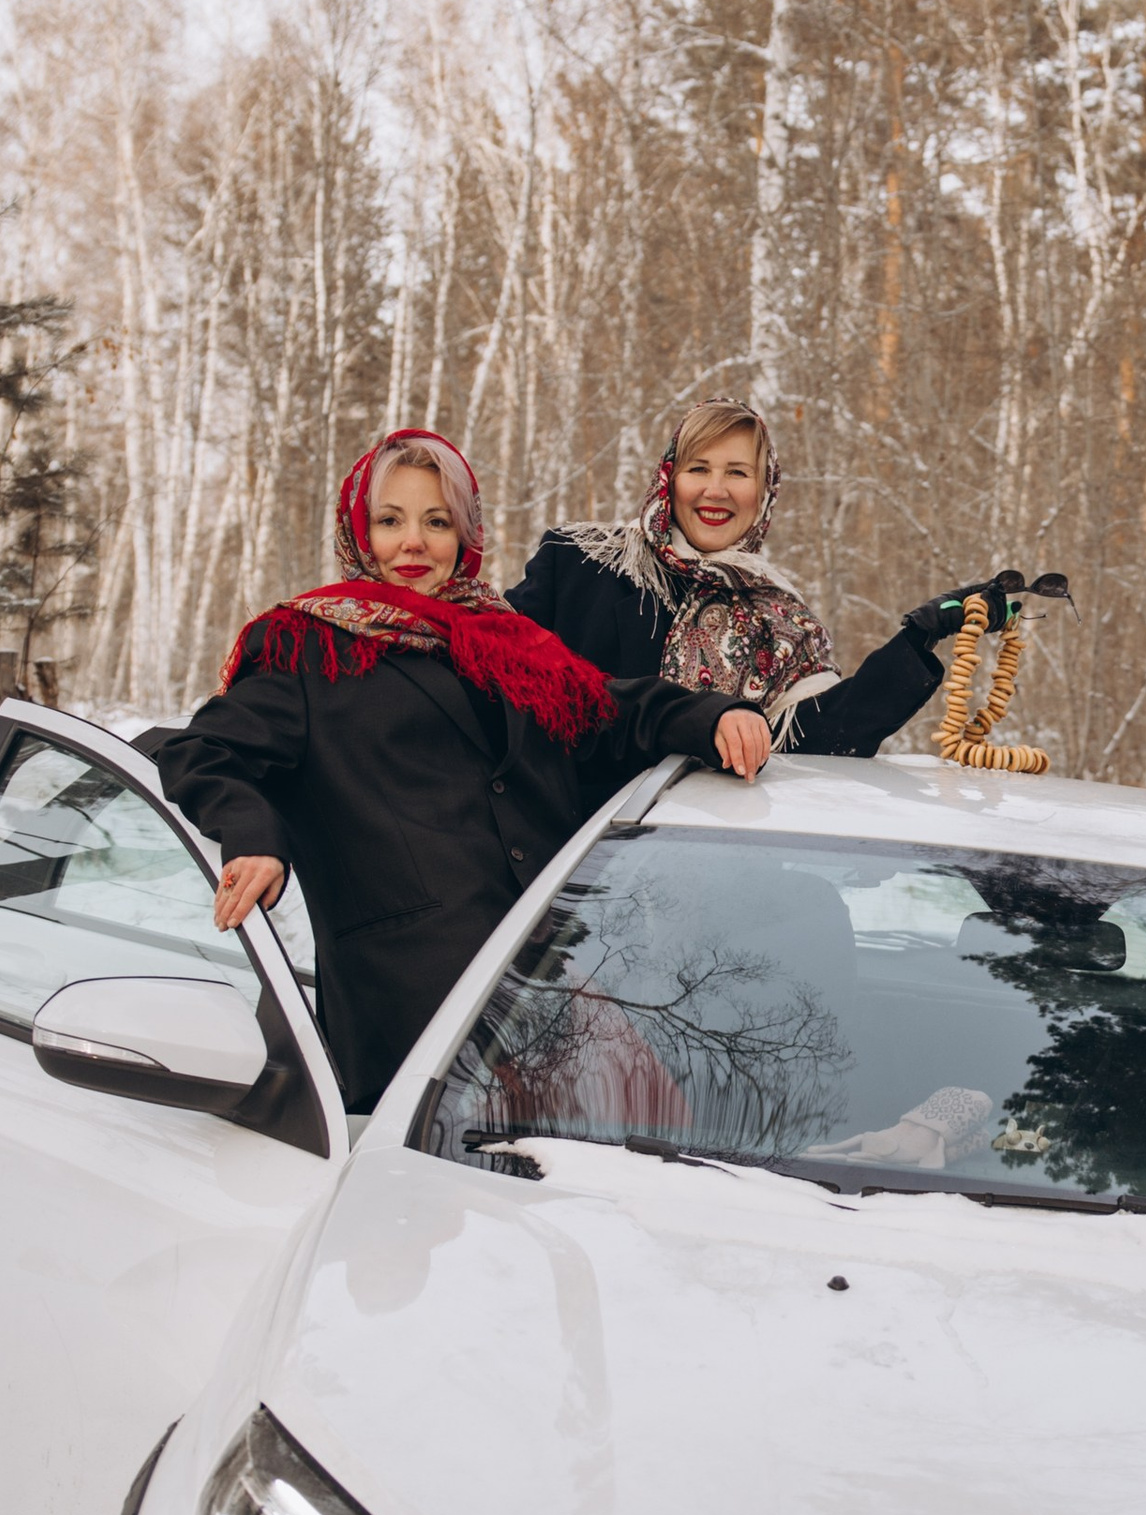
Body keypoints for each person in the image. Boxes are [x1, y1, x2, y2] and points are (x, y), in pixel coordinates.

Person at [161, 426, 769, 1110]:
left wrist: (711, 715)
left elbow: (608, 709)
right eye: (389, 521)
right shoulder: (309, 645)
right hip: (414, 1000)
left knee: (647, 1129)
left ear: (465, 532)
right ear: (359, 531)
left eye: (436, 521)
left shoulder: (504, 639)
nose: (413, 543)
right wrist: (254, 838)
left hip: (552, 968)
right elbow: (202, 750)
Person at [509, 395, 1035, 770]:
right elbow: (506, 677)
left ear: (764, 492)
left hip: (692, 862)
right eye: (699, 468)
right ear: (670, 477)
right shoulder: (581, 561)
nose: (716, 490)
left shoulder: (777, 619)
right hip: (564, 856)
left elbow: (823, 740)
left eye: (738, 473)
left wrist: (918, 638)